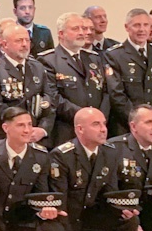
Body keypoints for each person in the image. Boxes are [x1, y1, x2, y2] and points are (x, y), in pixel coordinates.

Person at [48, 107, 139, 231]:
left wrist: (121, 208)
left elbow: (110, 192)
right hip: (66, 220)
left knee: (129, 221)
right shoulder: (61, 156)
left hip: (89, 214)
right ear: (80, 129)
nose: (103, 129)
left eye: (104, 124)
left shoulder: (109, 152)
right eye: (96, 124)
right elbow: (60, 206)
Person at [40, 13, 111, 146]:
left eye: (83, 29)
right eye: (75, 29)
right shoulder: (48, 60)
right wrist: (85, 117)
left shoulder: (94, 58)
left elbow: (106, 91)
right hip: (67, 130)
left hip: (97, 130)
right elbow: (54, 97)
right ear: (61, 34)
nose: (82, 33)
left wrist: (99, 118)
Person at [0, 21, 56, 142]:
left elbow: (49, 102)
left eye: (27, 40)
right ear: (4, 45)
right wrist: (24, 127)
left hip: (36, 138)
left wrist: (43, 129)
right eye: (18, 41)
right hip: (5, 138)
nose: (25, 44)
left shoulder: (37, 67)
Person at [105, 9, 152, 133]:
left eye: (146, 25)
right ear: (127, 27)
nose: (142, 30)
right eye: (136, 25)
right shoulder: (115, 55)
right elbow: (116, 94)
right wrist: (137, 121)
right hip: (127, 126)